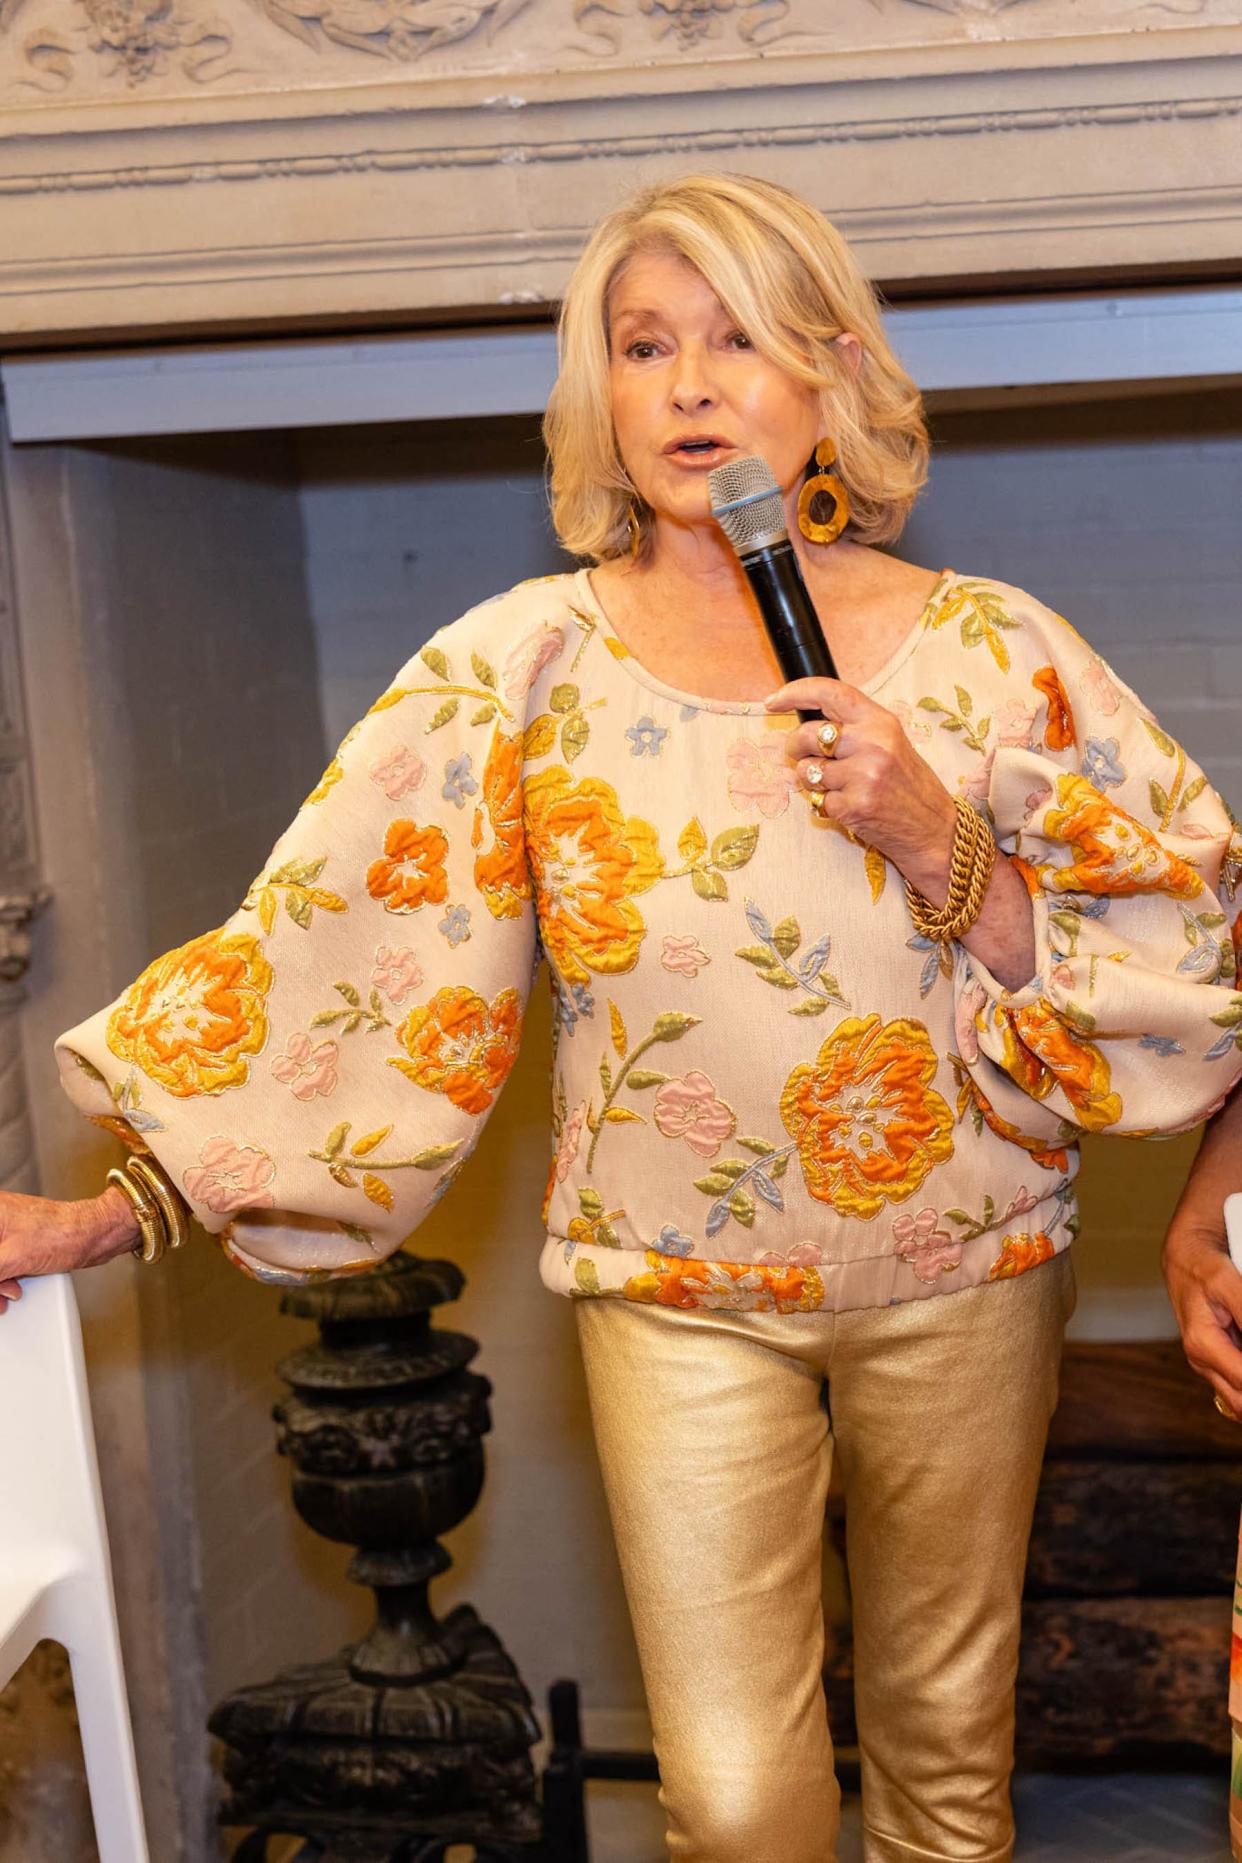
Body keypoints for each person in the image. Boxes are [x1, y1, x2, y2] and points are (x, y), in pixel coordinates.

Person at [1, 171, 1240, 1862]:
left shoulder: (995, 653)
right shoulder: (516, 666)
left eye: (736, 337)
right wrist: (114, 1208)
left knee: (948, 1777)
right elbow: (355, 962)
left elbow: (1183, 941)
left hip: (967, 1274)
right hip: (672, 1298)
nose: (688, 383)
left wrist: (939, 841)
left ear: (830, 380)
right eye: (641, 344)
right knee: (730, 1799)